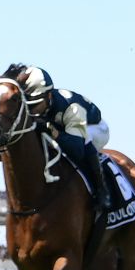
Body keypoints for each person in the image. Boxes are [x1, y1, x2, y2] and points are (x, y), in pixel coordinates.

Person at [23, 66, 110, 215]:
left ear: (48, 96)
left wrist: (53, 132)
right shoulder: (39, 103)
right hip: (66, 126)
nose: (32, 111)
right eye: (29, 106)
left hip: (95, 127)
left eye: (35, 105)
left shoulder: (72, 108)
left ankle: (101, 191)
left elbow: (77, 150)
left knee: (84, 138)